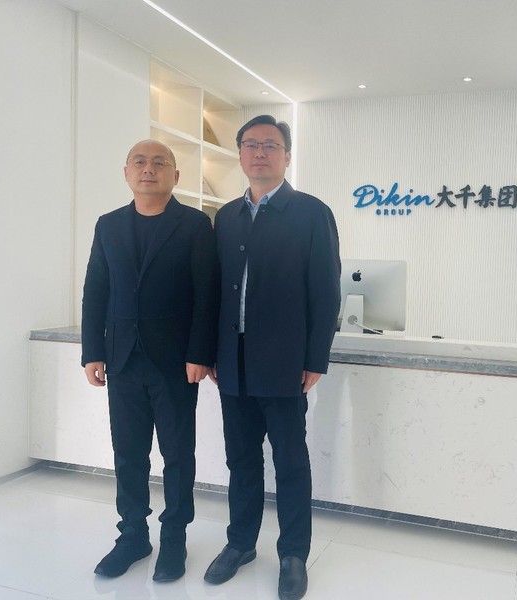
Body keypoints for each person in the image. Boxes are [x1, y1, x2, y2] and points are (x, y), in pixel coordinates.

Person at [204, 115, 340, 600]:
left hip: (284, 362)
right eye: (251, 144)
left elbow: (326, 291)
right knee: (240, 459)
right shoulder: (225, 217)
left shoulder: (311, 213)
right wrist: (210, 352)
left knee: (290, 462)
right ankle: (240, 543)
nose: (259, 152)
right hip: (232, 361)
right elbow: (213, 291)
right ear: (240, 154)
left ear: (287, 156)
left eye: (270, 145)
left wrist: (315, 358)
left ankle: (293, 554)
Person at [81, 139, 219, 582]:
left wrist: (200, 352)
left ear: (175, 176)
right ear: (126, 173)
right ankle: (133, 536)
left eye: (160, 163)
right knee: (128, 454)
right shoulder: (108, 225)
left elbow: (207, 295)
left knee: (177, 454)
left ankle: (174, 538)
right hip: (121, 359)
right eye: (139, 162)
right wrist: (92, 350)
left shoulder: (195, 225)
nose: (148, 169)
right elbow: (95, 290)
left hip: (176, 362)